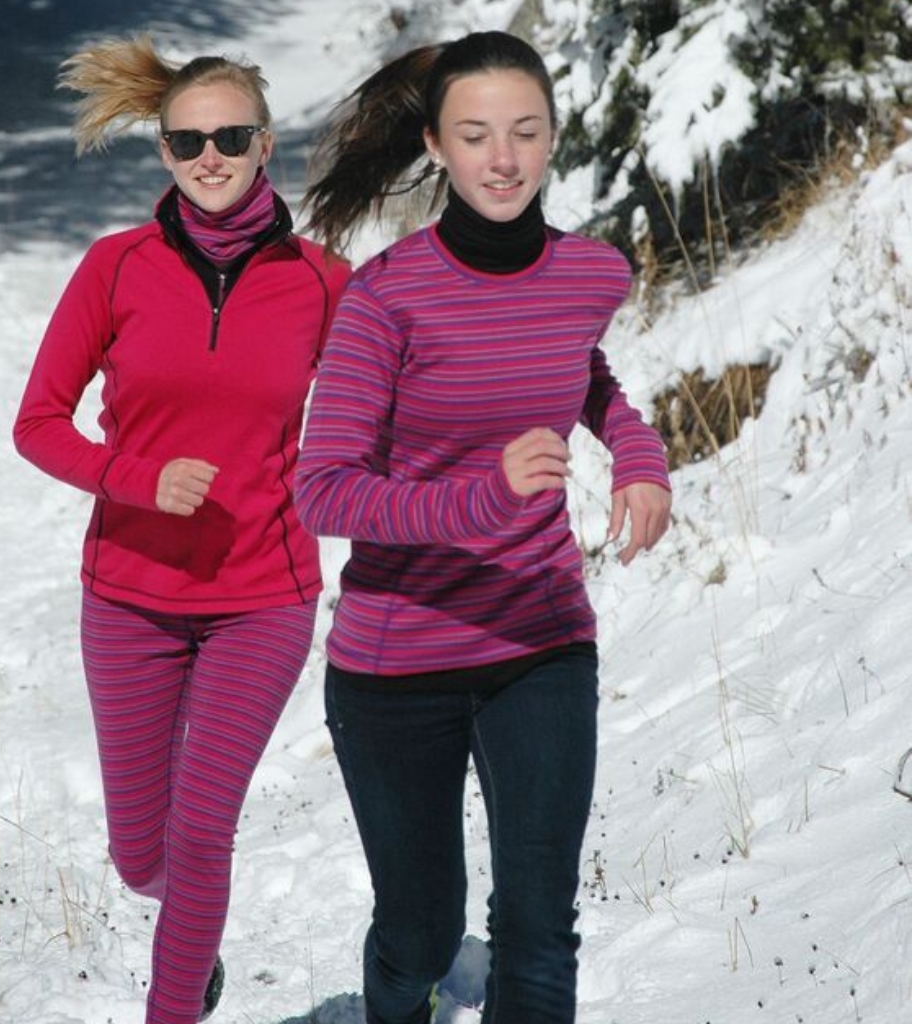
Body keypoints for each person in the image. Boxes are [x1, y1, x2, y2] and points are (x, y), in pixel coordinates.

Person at [295, 30, 672, 1024]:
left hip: (539, 641)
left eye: (524, 132)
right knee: (421, 926)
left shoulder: (591, 274)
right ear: (437, 146)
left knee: (539, 924)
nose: (501, 159)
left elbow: (577, 372)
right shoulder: (385, 299)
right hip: (394, 660)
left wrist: (635, 452)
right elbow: (323, 488)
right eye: (474, 135)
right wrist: (479, 497)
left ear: (552, 139)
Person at [12, 35, 349, 1024]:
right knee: (141, 854)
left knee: (202, 833)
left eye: (229, 135)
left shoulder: (322, 281)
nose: (208, 156)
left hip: (264, 595)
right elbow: (36, 423)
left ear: (265, 143)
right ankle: (192, 940)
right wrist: (134, 479)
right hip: (128, 594)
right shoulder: (114, 269)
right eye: (185, 140)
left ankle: (171, 1005)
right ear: (162, 151)